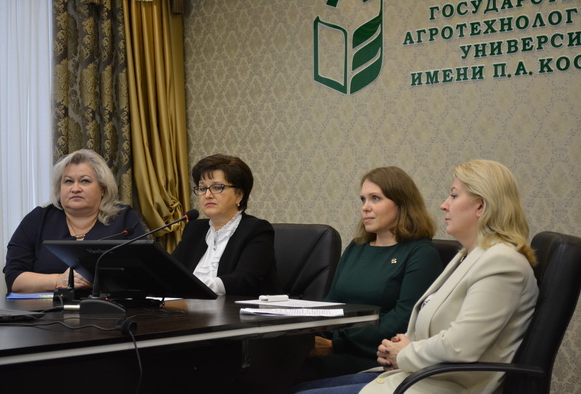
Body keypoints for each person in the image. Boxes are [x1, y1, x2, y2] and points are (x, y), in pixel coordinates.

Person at [291, 159, 539, 394]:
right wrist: (403, 344)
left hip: (447, 385)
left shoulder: (501, 262)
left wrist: (404, 352)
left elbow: (460, 346)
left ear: (480, 206)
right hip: (418, 376)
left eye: (453, 195)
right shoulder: (469, 256)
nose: (444, 204)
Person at [295, 166, 443, 382]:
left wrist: (336, 344)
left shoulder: (421, 253)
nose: (365, 207)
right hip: (335, 346)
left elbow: (403, 320)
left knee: (290, 375)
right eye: (363, 199)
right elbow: (332, 302)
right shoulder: (357, 247)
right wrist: (308, 336)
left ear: (402, 203)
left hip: (375, 357)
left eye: (375, 198)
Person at [4, 149, 147, 293]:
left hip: (107, 306)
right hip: (48, 307)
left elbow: (145, 275)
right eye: (68, 181)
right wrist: (58, 280)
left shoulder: (123, 219)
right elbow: (13, 278)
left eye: (84, 181)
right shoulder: (38, 219)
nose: (75, 189)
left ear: (103, 189)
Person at [171, 154, 281, 296]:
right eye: (202, 188)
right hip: (192, 307)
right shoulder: (194, 229)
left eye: (217, 187)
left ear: (239, 195)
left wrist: (190, 285)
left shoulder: (257, 230)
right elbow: (170, 272)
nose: (207, 195)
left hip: (241, 308)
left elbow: (243, 280)